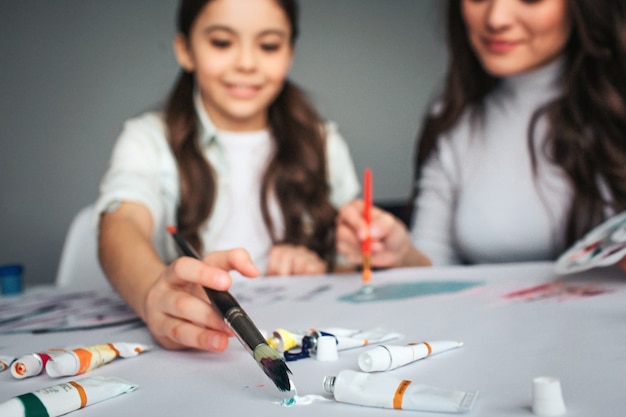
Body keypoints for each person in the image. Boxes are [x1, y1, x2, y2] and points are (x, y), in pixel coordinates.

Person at [95, 0, 359, 351]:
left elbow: (355, 262)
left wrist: (321, 268)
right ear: (185, 50)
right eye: (222, 42)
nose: (247, 63)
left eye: (268, 45)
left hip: (302, 333)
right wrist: (152, 294)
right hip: (197, 344)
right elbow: (122, 221)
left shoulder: (324, 143)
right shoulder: (147, 139)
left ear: (290, 53)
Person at [337, 0, 626, 270]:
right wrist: (402, 255)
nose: (496, 18)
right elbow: (435, 269)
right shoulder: (452, 122)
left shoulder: (616, 113)